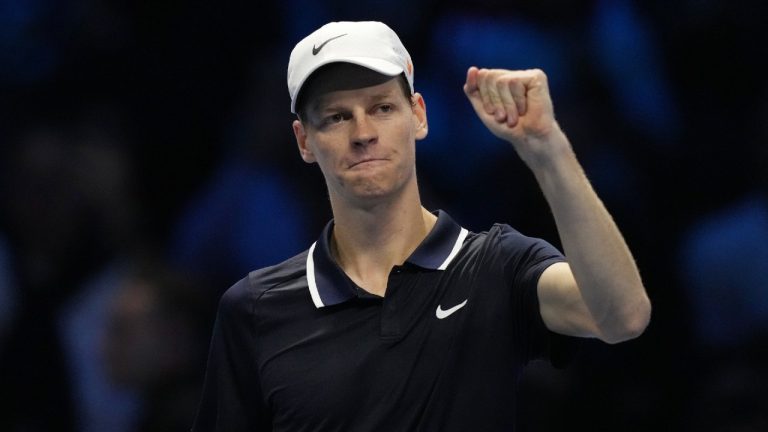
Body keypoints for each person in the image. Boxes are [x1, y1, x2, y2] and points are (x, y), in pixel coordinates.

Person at [192, 21, 651, 431]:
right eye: (336, 116)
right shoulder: (254, 309)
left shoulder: (496, 266)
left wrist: (548, 149)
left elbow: (622, 316)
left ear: (418, 114)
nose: (363, 133)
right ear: (304, 141)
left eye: (382, 108)